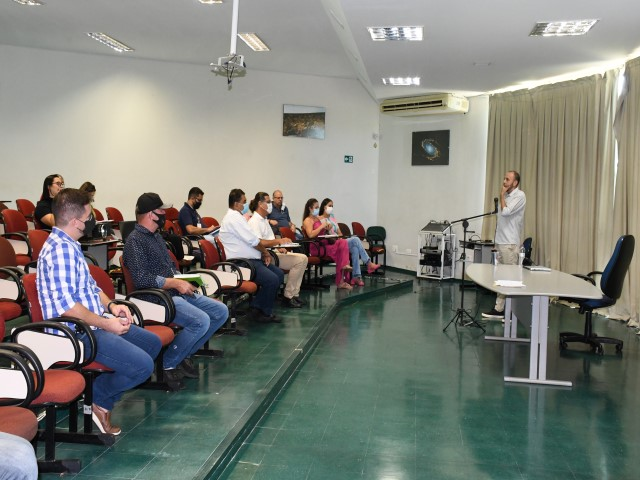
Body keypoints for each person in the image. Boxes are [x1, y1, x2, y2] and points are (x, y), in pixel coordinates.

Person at [37, 188, 161, 435]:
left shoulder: (70, 244)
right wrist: (107, 325)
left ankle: (98, 393)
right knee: (143, 366)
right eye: (87, 218)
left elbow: (91, 288)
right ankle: (99, 399)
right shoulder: (60, 250)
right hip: (75, 333)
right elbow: (68, 308)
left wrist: (113, 306)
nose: (90, 222)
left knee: (152, 343)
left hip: (93, 323)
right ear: (74, 222)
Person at [123, 193, 229, 390]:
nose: (165, 214)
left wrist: (183, 280)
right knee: (201, 320)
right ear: (149, 214)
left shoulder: (155, 237)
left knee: (220, 312)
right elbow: (141, 279)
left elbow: (170, 269)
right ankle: (168, 362)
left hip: (173, 292)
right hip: (153, 298)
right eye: (161, 210)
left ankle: (183, 353)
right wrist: (173, 283)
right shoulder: (135, 241)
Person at [218, 189, 289, 322]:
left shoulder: (238, 217)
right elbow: (254, 240)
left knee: (278, 274)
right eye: (244, 202)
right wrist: (265, 252)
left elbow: (251, 240)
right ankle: (264, 313)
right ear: (236, 203)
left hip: (252, 261)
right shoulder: (233, 218)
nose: (246, 205)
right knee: (272, 280)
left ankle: (257, 307)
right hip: (241, 263)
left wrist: (262, 253)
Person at [248, 192, 308, 308]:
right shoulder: (254, 221)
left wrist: (279, 247)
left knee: (303, 259)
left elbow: (270, 238)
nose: (270, 204)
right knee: (300, 260)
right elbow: (258, 242)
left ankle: (294, 294)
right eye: (268, 202)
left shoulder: (264, 219)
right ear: (260, 204)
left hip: (273, 252)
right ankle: (288, 296)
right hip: (266, 256)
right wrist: (279, 242)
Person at [482, 170, 527, 319]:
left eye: (507, 179)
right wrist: (496, 243)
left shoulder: (520, 196)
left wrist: (501, 195)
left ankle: (511, 314)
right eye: (504, 178)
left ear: (515, 183)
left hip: (509, 244)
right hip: (501, 243)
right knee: (501, 278)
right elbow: (501, 222)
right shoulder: (507, 196)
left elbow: (506, 212)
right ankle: (499, 310)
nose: (504, 182)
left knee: (510, 279)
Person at [318, 197, 380, 286]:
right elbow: (323, 234)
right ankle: (368, 263)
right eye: (329, 206)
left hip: (340, 241)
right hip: (333, 243)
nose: (331, 208)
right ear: (324, 207)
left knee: (355, 249)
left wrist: (339, 237)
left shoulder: (333, 218)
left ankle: (356, 277)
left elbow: (340, 233)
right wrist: (328, 231)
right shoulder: (320, 219)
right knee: (355, 239)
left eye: (332, 206)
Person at [302, 198, 352, 290]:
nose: (318, 209)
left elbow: (323, 231)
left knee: (343, 242)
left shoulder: (318, 218)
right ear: (310, 208)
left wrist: (327, 229)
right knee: (341, 251)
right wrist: (322, 226)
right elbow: (310, 235)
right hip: (316, 248)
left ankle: (343, 277)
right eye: (316, 207)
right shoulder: (307, 220)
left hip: (325, 245)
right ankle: (341, 280)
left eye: (318, 207)